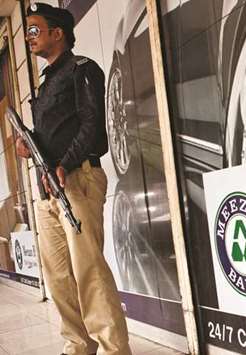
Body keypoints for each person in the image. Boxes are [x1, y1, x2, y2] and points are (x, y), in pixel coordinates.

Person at [16, 3, 132, 355]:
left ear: (57, 33)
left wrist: (64, 164)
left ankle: (114, 349)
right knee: (59, 279)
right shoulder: (47, 82)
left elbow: (93, 125)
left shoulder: (83, 70)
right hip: (48, 188)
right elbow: (53, 133)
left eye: (35, 29)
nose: (29, 37)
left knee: (89, 272)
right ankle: (77, 346)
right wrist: (29, 145)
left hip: (78, 180)